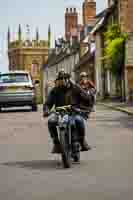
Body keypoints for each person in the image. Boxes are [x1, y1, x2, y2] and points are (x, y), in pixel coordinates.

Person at [43, 70, 93, 153]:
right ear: (58, 80)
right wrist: (46, 110)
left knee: (79, 120)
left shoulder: (76, 88)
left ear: (68, 79)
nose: (62, 80)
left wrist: (87, 107)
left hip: (74, 112)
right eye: (60, 79)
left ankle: (82, 141)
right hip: (59, 113)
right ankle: (56, 143)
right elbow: (48, 103)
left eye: (64, 78)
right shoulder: (55, 90)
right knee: (51, 121)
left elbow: (87, 98)